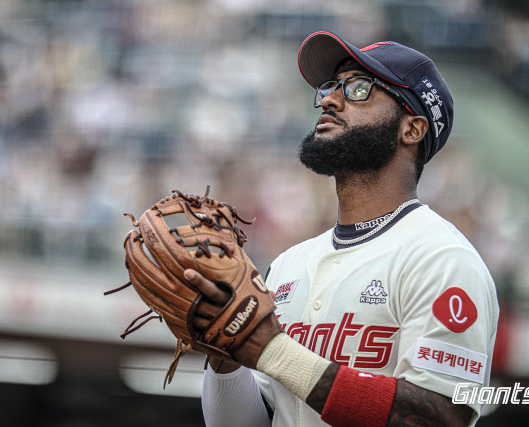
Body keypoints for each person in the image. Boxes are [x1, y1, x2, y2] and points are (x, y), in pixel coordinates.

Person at [187, 31, 499, 427]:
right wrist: (225, 357)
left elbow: (439, 416)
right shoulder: (288, 265)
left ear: (412, 129)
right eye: (331, 87)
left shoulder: (442, 260)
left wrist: (272, 351)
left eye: (358, 88)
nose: (331, 99)